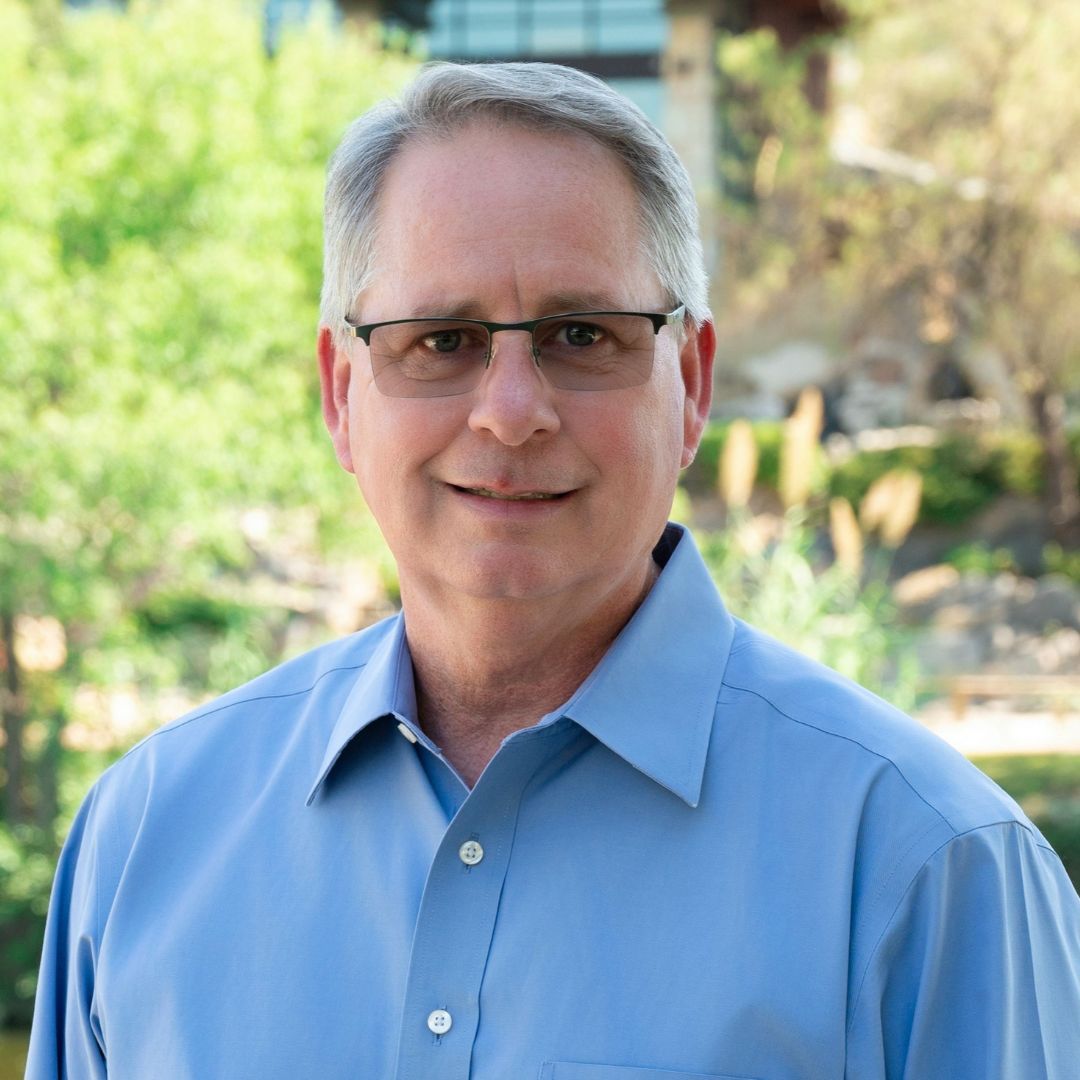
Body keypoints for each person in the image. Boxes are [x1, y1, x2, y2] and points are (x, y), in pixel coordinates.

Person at [27, 61, 1080, 1080]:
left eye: (584, 334)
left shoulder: (929, 871)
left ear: (693, 382)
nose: (512, 411)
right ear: (342, 394)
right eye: (441, 341)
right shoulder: (143, 839)